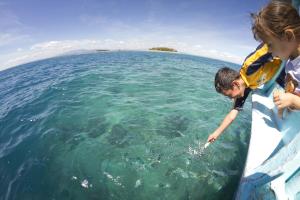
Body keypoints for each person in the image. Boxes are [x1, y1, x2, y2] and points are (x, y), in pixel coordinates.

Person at [207, 43, 284, 143]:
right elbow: (232, 114)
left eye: (229, 95)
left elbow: (273, 43)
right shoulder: (245, 88)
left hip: (286, 59)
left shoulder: (250, 66)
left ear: (235, 84)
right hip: (279, 72)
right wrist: (216, 133)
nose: (231, 99)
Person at [251, 1, 300, 111]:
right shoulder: (289, 63)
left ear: (288, 36)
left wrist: (293, 100)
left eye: (270, 45)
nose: (269, 51)